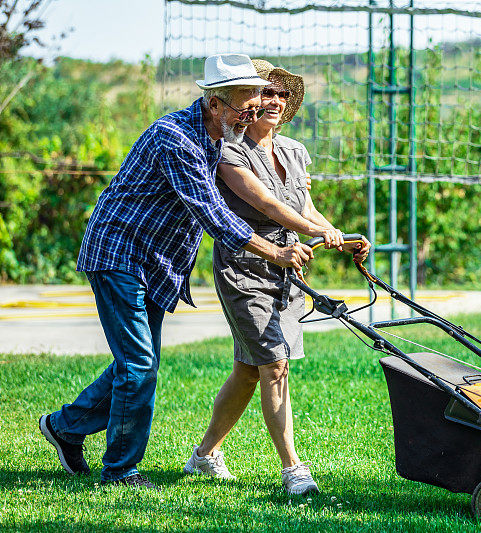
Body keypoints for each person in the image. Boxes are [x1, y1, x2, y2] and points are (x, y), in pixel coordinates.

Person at [37, 54, 315, 490]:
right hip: (118, 253)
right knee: (140, 365)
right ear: (215, 104)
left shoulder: (222, 136)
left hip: (155, 263)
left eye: (255, 103)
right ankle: (120, 471)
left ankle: (66, 428)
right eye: (245, 106)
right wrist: (273, 253)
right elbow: (213, 216)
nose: (252, 114)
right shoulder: (176, 139)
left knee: (135, 364)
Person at [182, 59, 370, 495]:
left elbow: (303, 209)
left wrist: (337, 236)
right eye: (266, 92)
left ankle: (204, 455)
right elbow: (265, 204)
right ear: (249, 102)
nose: (275, 100)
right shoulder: (228, 151)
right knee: (274, 365)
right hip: (244, 269)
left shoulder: (295, 151)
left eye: (282, 94)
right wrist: (317, 232)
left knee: (248, 370)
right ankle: (293, 470)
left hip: (290, 271)